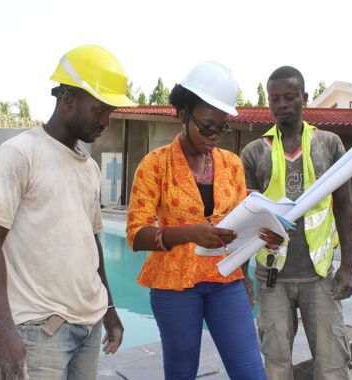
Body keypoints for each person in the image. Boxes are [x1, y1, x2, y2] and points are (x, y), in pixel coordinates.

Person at [0, 45, 134, 380]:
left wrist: (109, 311)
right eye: (99, 110)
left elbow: (93, 243)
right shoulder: (19, 154)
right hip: (39, 330)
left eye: (110, 111)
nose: (106, 120)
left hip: (88, 326)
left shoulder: (89, 168)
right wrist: (3, 334)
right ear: (68, 100)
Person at [126, 61, 280, 380]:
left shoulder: (232, 164)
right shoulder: (155, 165)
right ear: (183, 114)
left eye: (222, 128)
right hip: (174, 284)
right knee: (182, 372)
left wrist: (266, 234)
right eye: (207, 126)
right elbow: (136, 235)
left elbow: (241, 225)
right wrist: (188, 234)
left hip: (226, 280)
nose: (214, 136)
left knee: (251, 371)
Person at [240, 66, 352, 380]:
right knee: (276, 366)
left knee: (332, 365)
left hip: (319, 277)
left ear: (304, 98)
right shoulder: (253, 153)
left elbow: (344, 206)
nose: (281, 104)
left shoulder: (328, 144)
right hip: (271, 278)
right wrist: (242, 274)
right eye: (274, 98)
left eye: (290, 97)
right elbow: (246, 218)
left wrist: (347, 266)